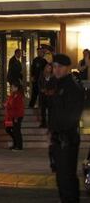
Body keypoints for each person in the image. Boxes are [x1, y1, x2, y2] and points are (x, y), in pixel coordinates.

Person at [48, 54, 85, 203]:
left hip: (67, 139)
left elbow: (72, 115)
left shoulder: (72, 87)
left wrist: (61, 131)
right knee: (61, 178)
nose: (56, 70)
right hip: (58, 138)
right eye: (54, 66)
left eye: (60, 67)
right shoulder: (57, 84)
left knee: (67, 178)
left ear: (67, 68)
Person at [4, 81, 25, 151]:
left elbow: (18, 107)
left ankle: (19, 146)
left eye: (12, 87)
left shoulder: (18, 96)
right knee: (9, 129)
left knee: (16, 131)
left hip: (17, 115)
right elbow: (9, 102)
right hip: (12, 115)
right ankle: (16, 144)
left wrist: (16, 117)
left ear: (16, 88)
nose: (11, 88)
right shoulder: (13, 95)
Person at [38, 63, 56, 128]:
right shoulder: (41, 75)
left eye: (50, 68)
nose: (48, 68)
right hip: (43, 96)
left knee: (50, 111)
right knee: (43, 110)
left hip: (50, 96)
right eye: (47, 67)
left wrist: (49, 91)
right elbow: (39, 84)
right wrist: (42, 90)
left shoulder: (53, 76)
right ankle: (43, 123)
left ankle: (51, 123)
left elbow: (55, 86)